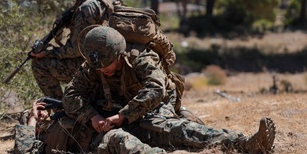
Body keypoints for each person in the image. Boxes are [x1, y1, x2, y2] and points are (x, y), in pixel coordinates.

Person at [62, 26, 276, 153]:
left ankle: (245, 144)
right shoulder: (92, 66)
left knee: (166, 129)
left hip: (152, 106)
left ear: (119, 55)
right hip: (117, 114)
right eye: (97, 67)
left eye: (106, 66)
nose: (102, 71)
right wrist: (92, 116)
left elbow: (156, 90)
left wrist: (124, 115)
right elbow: (70, 95)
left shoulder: (140, 59)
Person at [30, 0, 123, 99]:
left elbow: (77, 49)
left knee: (40, 64)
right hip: (115, 64)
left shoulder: (88, 7)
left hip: (95, 67)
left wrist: (49, 52)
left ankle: (61, 110)